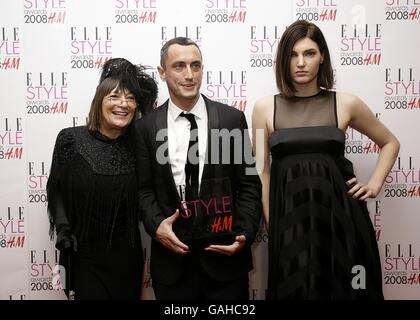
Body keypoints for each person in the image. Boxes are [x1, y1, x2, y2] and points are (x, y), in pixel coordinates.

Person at [252, 20, 400, 300]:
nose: (301, 62)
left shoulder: (346, 103)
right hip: (290, 224)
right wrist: (274, 221)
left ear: (322, 57)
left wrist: (374, 184)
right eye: (293, 55)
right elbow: (262, 171)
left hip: (342, 219)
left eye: (309, 53)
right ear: (283, 60)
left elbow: (390, 142)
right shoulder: (264, 108)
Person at [135, 37, 262, 300]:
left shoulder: (231, 119)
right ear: (162, 72)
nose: (189, 75)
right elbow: (143, 189)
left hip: (226, 265)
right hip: (173, 268)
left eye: (196, 65)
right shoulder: (145, 128)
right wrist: (156, 225)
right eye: (179, 66)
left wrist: (244, 232)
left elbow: (249, 184)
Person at [47, 58, 158, 299]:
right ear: (100, 101)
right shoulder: (70, 140)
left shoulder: (140, 146)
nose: (123, 104)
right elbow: (55, 189)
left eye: (130, 98)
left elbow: (150, 194)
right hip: (82, 257)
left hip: (127, 260)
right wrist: (64, 230)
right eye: (115, 96)